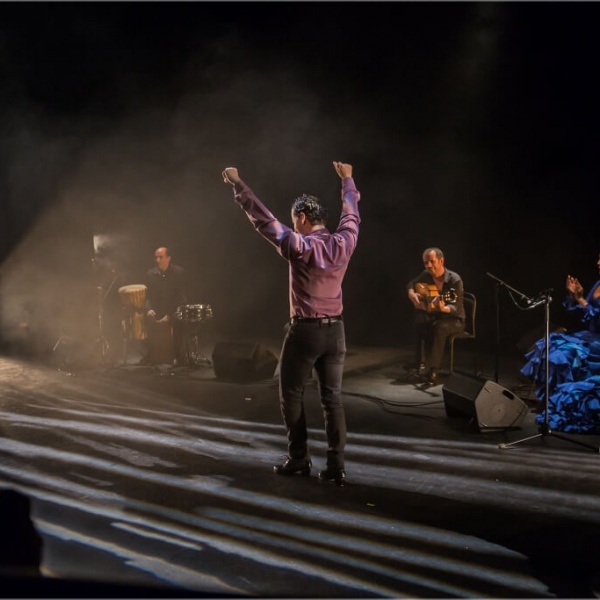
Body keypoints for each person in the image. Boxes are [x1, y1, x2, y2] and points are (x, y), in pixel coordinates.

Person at [221, 161, 360, 486]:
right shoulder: (344, 242)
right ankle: (336, 466)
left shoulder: (300, 246)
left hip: (306, 332)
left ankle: (299, 458)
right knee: (333, 399)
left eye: (295, 219)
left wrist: (238, 185)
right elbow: (352, 214)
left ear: (301, 217)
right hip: (336, 331)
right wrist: (348, 181)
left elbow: (264, 222)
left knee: (291, 394)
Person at [521, 252, 600, 433]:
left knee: (566, 353)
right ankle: (552, 400)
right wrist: (576, 296)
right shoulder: (598, 284)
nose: (597, 262)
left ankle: (562, 402)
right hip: (589, 335)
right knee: (551, 345)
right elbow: (585, 314)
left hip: (597, 342)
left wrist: (581, 300)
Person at [406, 247, 465, 387]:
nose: (428, 266)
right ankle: (419, 363)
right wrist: (411, 294)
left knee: (440, 327)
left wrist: (443, 308)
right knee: (419, 319)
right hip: (436, 316)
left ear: (441, 261)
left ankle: (433, 370)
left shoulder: (454, 279)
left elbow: (456, 307)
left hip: (455, 319)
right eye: (426, 263)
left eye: (432, 262)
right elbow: (411, 284)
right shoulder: (426, 274)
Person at [144, 246, 187, 365]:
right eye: (156, 257)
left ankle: (177, 355)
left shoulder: (178, 272)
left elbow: (180, 297)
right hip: (157, 309)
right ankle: (153, 353)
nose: (157, 260)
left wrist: (170, 315)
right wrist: (149, 309)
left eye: (160, 257)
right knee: (145, 318)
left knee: (178, 319)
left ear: (168, 258)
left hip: (173, 309)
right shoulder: (150, 274)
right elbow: (147, 297)